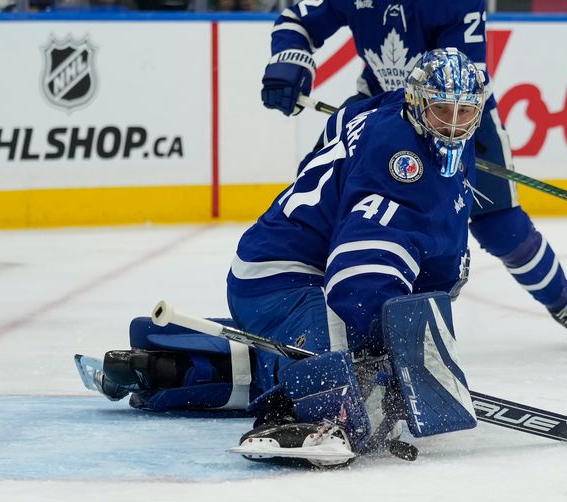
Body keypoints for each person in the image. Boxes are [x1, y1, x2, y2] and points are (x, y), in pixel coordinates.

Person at [91, 48, 490, 468]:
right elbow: (358, 278)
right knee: (345, 384)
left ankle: (163, 367)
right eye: (441, 110)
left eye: (464, 114)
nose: (450, 125)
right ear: (416, 102)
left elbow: (347, 120)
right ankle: (295, 419)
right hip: (281, 275)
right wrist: (392, 353)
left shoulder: (394, 116)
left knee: (335, 360)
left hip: (290, 267)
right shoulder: (398, 162)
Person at [261, 0, 567, 347]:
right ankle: (306, 307)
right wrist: (290, 59)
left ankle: (563, 302)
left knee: (501, 227)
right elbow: (298, 19)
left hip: (455, 116)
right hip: (379, 112)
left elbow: (460, 84)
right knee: (321, 198)